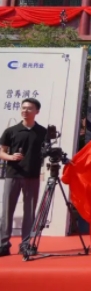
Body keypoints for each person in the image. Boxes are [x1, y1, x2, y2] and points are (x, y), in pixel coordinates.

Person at [0, 98, 47, 257]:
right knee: (7, 211)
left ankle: (25, 244)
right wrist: (11, 157)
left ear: (37, 112)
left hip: (32, 176)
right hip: (13, 175)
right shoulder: (11, 131)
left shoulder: (42, 132)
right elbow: (1, 152)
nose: (25, 111)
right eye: (23, 108)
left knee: (30, 212)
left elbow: (46, 151)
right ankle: (3, 244)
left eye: (29, 108)